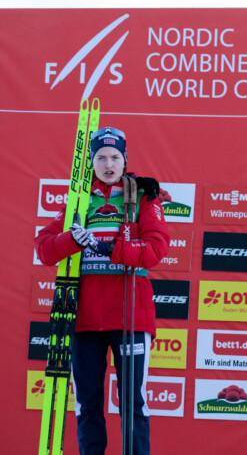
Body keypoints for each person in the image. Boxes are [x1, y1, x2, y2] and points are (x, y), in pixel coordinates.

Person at [35, 127, 170, 455]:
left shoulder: (142, 195)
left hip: (130, 317)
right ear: (91, 163)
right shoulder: (79, 200)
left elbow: (156, 248)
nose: (108, 164)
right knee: (88, 404)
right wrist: (72, 239)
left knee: (132, 405)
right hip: (83, 319)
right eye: (100, 158)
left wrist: (111, 248)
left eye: (115, 157)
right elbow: (44, 248)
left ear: (125, 160)